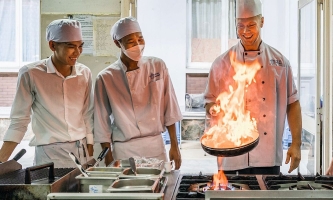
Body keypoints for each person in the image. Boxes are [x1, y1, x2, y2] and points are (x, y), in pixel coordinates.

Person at [204, 0, 302, 174]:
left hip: (267, 156)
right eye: (240, 26)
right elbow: (210, 101)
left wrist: (296, 144)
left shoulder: (279, 63)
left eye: (251, 25)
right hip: (231, 154)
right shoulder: (221, 63)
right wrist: (214, 110)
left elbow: (292, 104)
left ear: (262, 22)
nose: (245, 31)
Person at [0, 19, 94, 168]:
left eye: (80, 46)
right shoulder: (31, 74)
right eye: (71, 46)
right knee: (50, 191)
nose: (77, 52)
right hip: (49, 155)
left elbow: (88, 113)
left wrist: (90, 148)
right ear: (52, 45)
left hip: (80, 151)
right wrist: (2, 159)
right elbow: (19, 121)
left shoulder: (84, 73)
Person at [93, 17, 182, 169]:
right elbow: (101, 122)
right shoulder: (106, 77)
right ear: (117, 43)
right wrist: (108, 159)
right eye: (131, 42)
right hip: (124, 150)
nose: (138, 46)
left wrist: (175, 145)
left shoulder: (157, 65)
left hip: (155, 147)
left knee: (159, 190)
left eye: (140, 39)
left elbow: (170, 108)